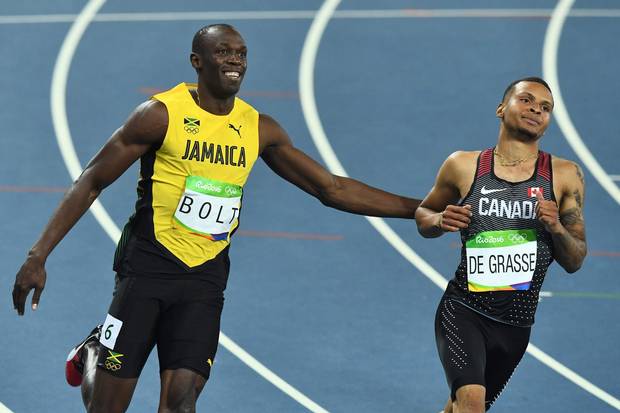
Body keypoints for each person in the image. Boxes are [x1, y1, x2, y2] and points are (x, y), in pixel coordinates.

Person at [12, 24, 420, 413]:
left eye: (241, 53)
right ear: (197, 61)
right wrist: (38, 254)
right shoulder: (159, 115)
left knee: (182, 402)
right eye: (223, 51)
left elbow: (331, 189)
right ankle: (93, 356)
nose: (235, 60)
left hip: (204, 278)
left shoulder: (258, 128)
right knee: (107, 407)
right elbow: (91, 181)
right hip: (146, 268)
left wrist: (417, 208)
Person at [415, 77, 587, 412]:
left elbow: (576, 258)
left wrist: (556, 228)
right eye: (526, 100)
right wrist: (438, 221)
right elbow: (424, 213)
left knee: (458, 408)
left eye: (546, 107)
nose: (536, 108)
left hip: (516, 327)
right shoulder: (463, 166)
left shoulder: (565, 175)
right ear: (500, 108)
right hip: (464, 309)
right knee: (471, 403)